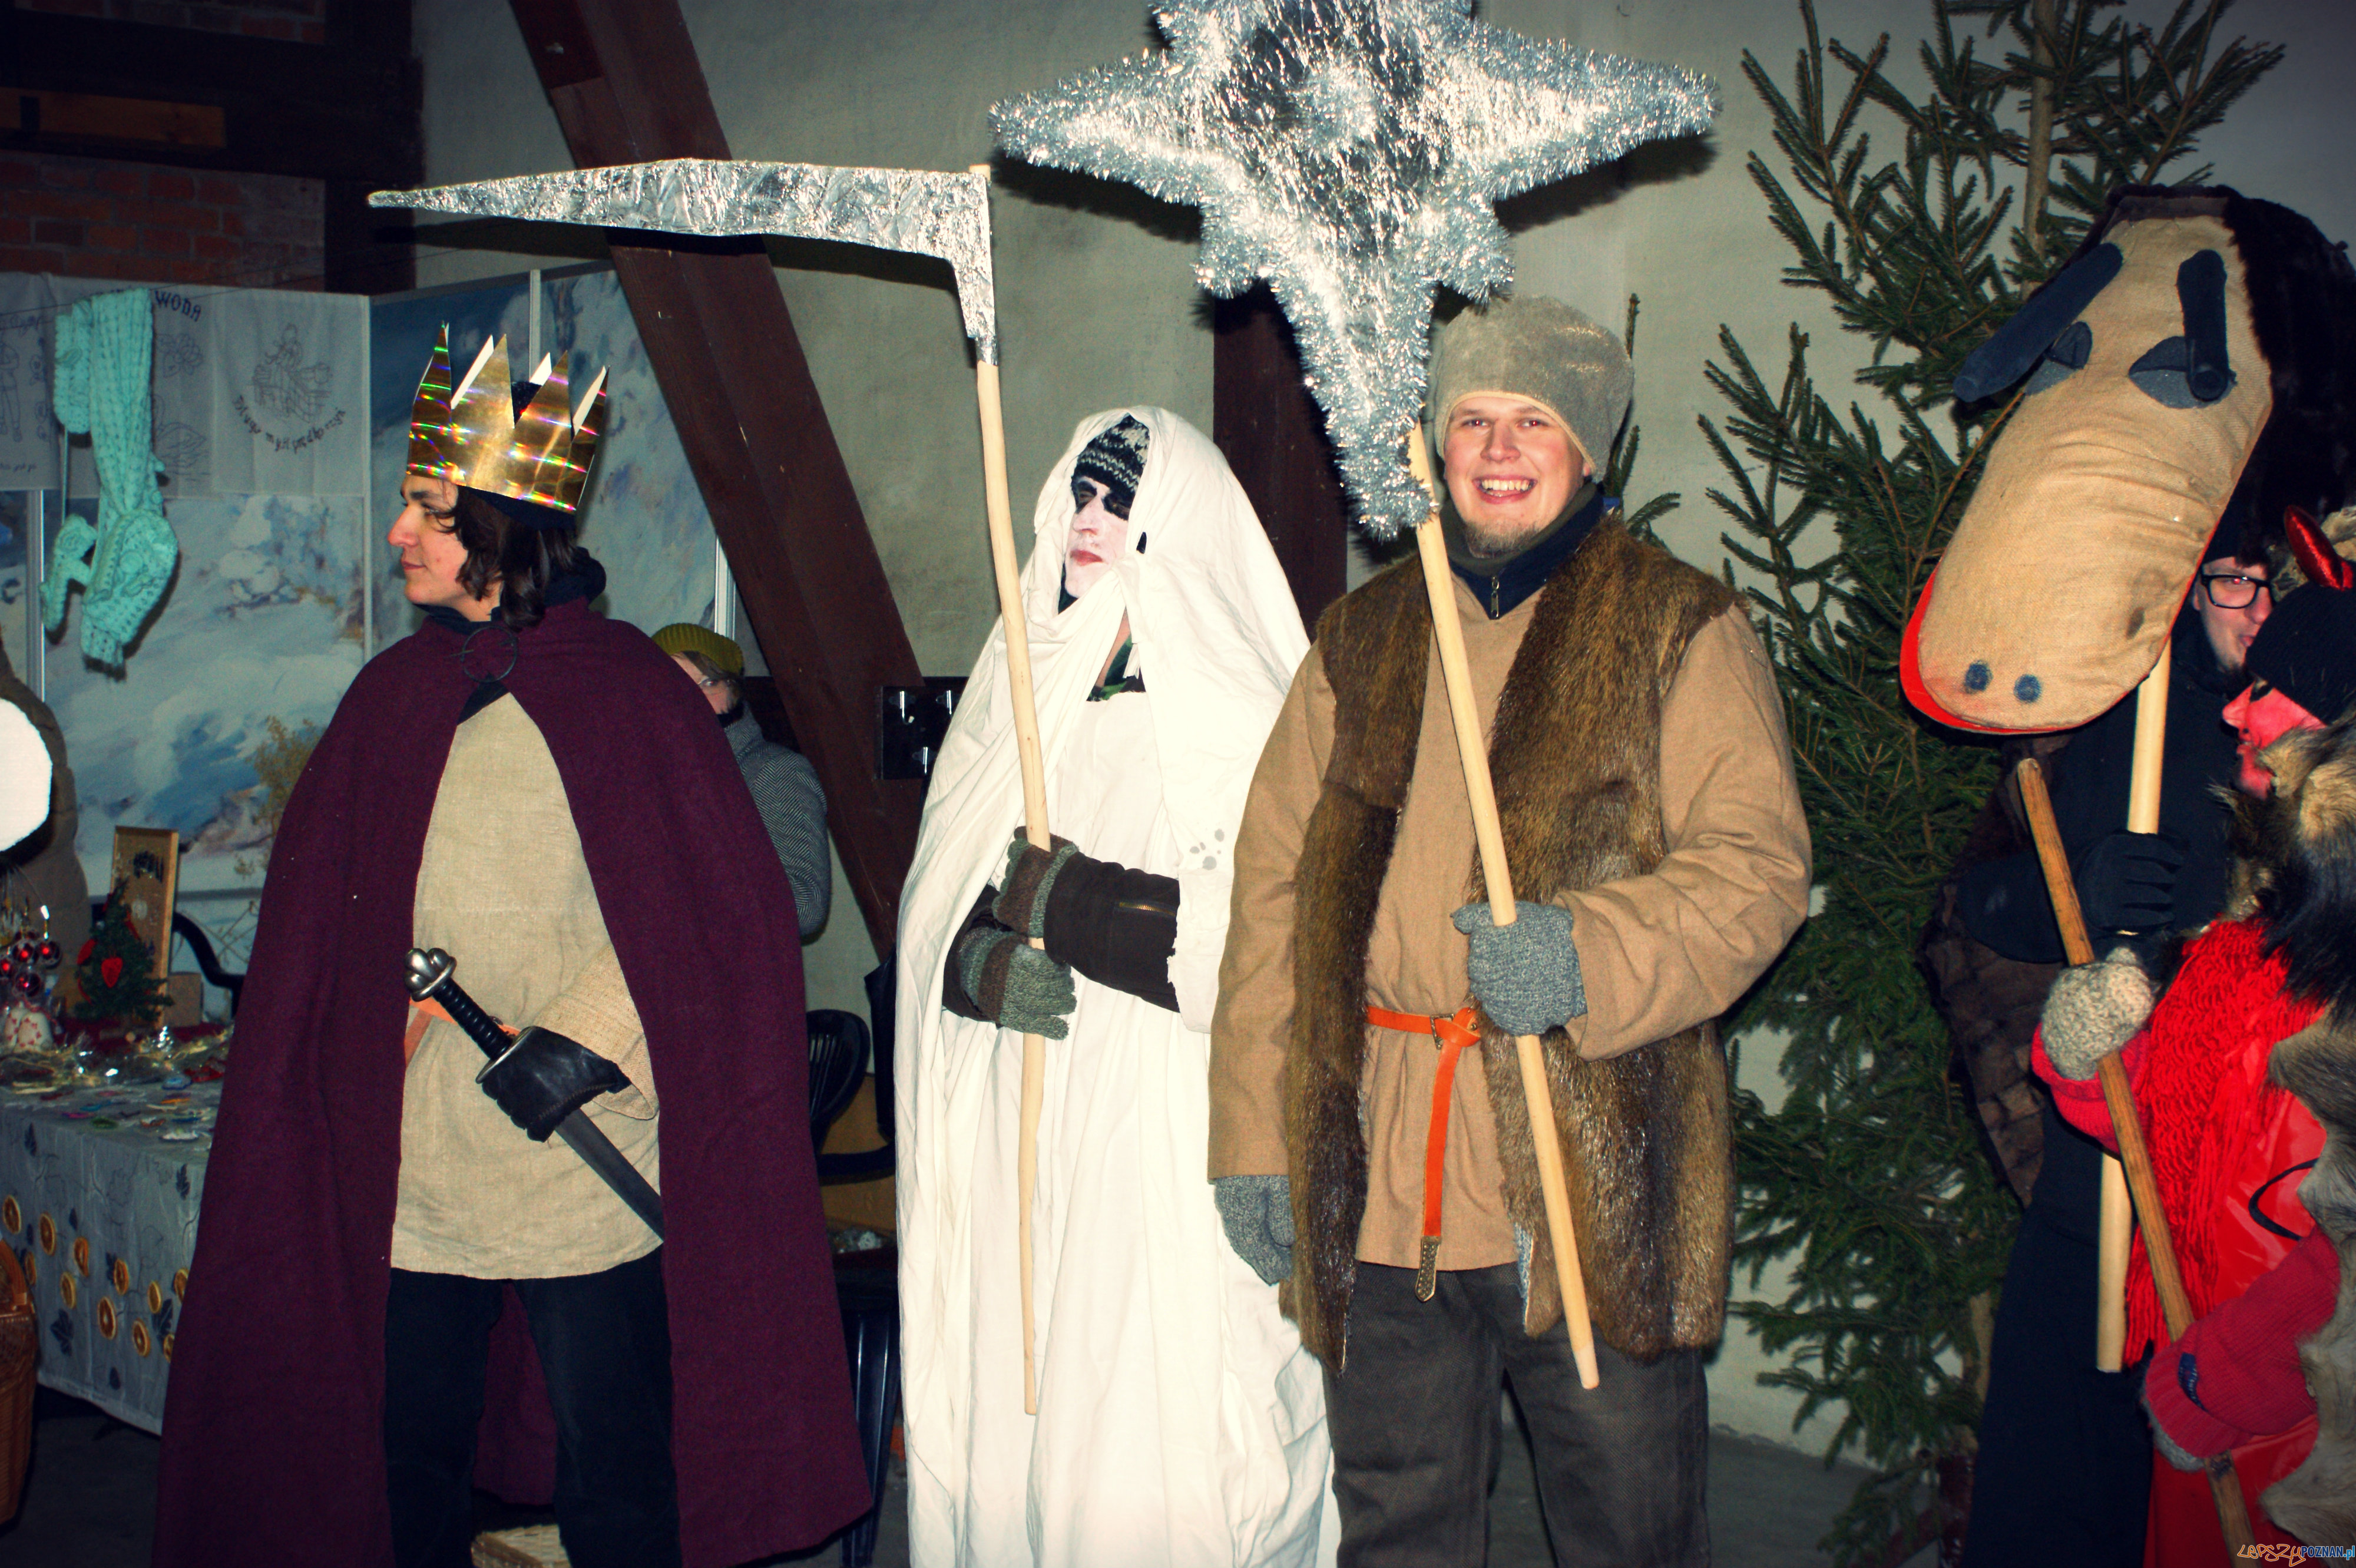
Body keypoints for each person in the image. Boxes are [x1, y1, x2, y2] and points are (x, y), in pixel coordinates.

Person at [150, 332, 866, 1568]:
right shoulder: (393, 696)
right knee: (408, 1460)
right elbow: (332, 924)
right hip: (417, 1160)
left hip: (580, 1155)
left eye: (428, 511)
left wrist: (586, 1038)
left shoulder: (631, 692)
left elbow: (715, 913)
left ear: (497, 525)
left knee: (617, 1469)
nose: (399, 535)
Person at [1209, 295, 1811, 1564]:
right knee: (1397, 1524)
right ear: (1432, 443)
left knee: (1628, 1525)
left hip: (1587, 1166)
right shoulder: (1362, 638)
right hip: (1383, 1164)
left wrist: (1585, 952)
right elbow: (1269, 899)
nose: (1495, 448)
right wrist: (1254, 1138)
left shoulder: (1678, 624)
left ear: (1588, 448)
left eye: (1532, 421)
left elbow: (1756, 870)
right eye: (1471, 418)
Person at [896, 408, 1335, 1567]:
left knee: (1154, 1412)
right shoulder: (1021, 683)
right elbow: (944, 894)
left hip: (1168, 1112)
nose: (1091, 519)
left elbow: (1287, 935)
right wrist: (975, 962)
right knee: (1026, 1391)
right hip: (1023, 1112)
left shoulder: (1249, 703)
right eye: (1081, 495)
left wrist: (1080, 903)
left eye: (1121, 500)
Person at [1948, 525, 2274, 1568]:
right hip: (2098, 1169)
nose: (2257, 607)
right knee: (2049, 1478)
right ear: (2191, 586)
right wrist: (2073, 891)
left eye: (2278, 581)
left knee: (2195, 1494)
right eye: (2234, 579)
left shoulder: (2318, 732)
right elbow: (1973, 906)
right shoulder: (2110, 722)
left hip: (2251, 1201)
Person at [2032, 571, 2356, 1561]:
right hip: (2210, 1399)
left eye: (2274, 692)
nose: (2238, 712)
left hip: (2316, 1444)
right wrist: (2085, 1056)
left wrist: (2224, 1379)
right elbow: (2174, 1130)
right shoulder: (2251, 939)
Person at [651, 624, 832, 938]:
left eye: (708, 683)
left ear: (733, 689)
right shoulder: (650, 773)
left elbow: (805, 908)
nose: (693, 699)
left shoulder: (772, 771)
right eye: (673, 684)